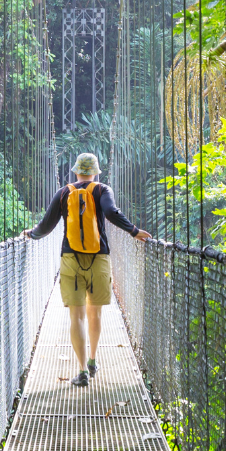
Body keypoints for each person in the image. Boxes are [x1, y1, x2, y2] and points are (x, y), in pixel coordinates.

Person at [19, 152, 152, 387]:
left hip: (70, 258)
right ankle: (92, 360)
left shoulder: (64, 192)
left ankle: (81, 371)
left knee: (76, 316)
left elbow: (47, 225)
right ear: (95, 172)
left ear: (76, 171)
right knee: (95, 313)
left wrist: (32, 234)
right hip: (99, 258)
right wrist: (133, 230)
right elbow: (111, 213)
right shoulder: (102, 190)